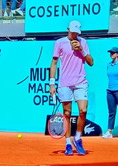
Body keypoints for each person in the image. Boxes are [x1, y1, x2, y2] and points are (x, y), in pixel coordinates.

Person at [49, 20, 94, 155]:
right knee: (67, 114)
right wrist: (52, 83)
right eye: (72, 31)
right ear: (68, 29)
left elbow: (91, 63)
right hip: (65, 83)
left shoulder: (83, 42)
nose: (74, 34)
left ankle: (78, 139)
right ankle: (68, 143)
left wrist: (81, 49)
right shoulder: (59, 43)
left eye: (77, 32)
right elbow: (54, 62)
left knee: (83, 110)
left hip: (80, 81)